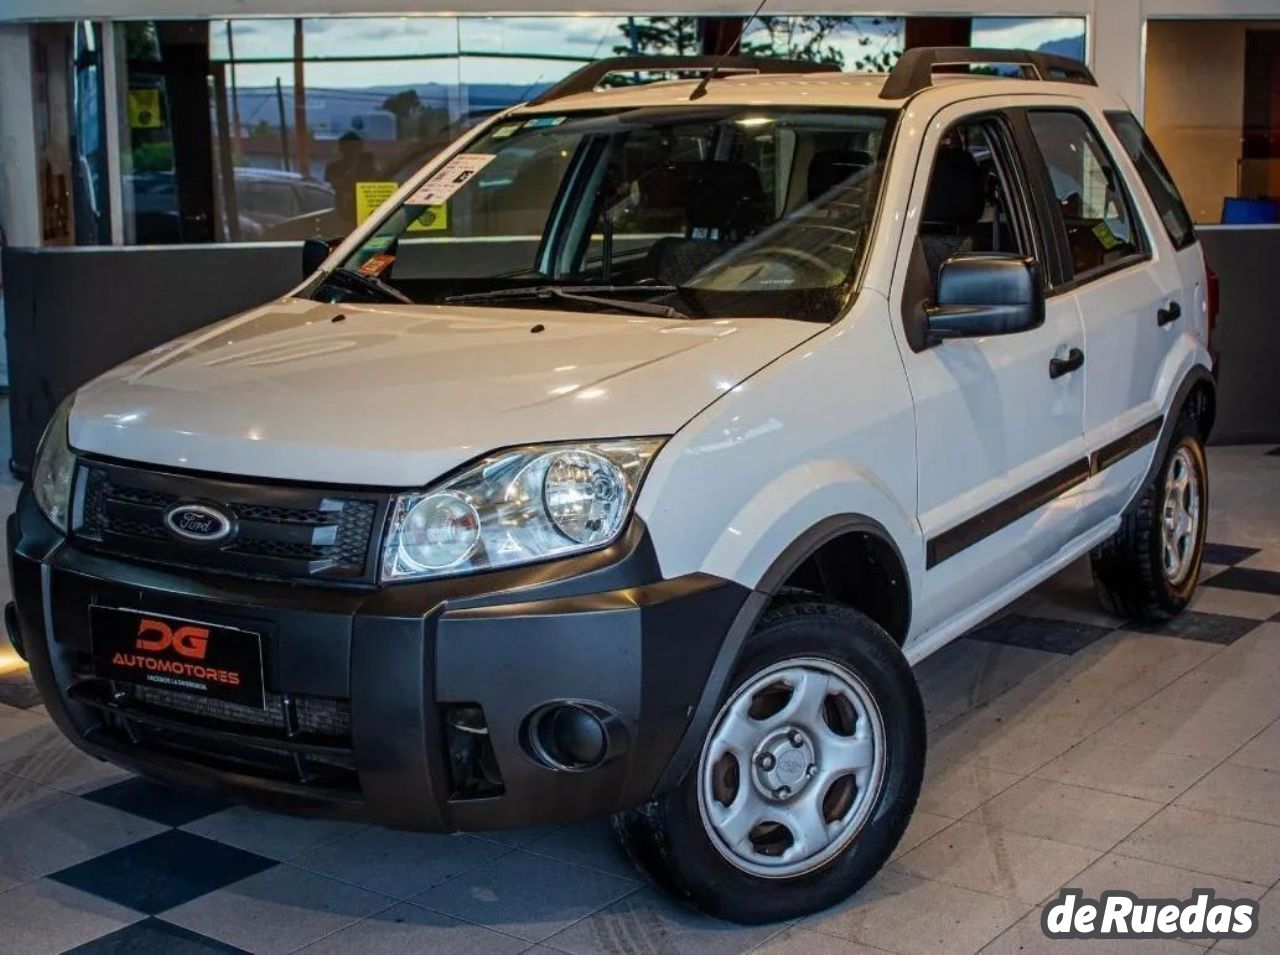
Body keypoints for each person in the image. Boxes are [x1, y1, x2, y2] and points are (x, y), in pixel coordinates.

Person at [324, 131, 376, 226]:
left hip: (366, 208)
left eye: (355, 147)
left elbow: (377, 183)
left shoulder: (366, 165)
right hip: (342, 210)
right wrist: (353, 167)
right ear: (341, 148)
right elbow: (335, 185)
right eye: (349, 147)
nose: (352, 150)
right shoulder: (334, 167)